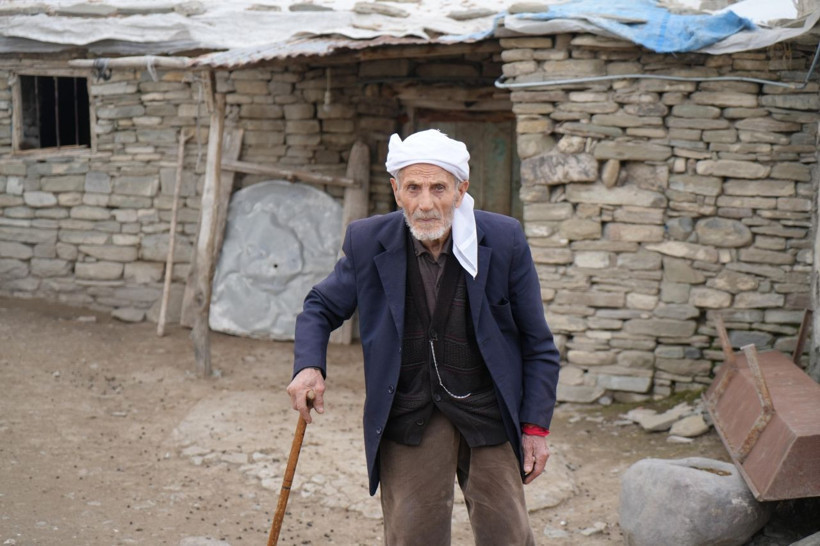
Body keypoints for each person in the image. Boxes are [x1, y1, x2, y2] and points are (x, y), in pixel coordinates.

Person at [287, 129, 561, 545]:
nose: (426, 203)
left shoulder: (503, 240)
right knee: (413, 537)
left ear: (461, 190)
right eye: (413, 188)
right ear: (396, 191)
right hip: (410, 412)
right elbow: (319, 307)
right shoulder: (368, 241)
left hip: (487, 410)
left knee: (508, 535)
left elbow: (537, 344)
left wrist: (535, 428)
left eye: (439, 188)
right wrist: (309, 367)